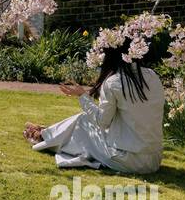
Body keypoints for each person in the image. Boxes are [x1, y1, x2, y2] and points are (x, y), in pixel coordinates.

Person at [23, 45, 166, 175]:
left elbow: (101, 122)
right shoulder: (153, 76)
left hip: (128, 160)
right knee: (84, 123)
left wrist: (82, 96)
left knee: (83, 121)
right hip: (154, 159)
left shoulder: (114, 82)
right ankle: (45, 133)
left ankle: (43, 136)